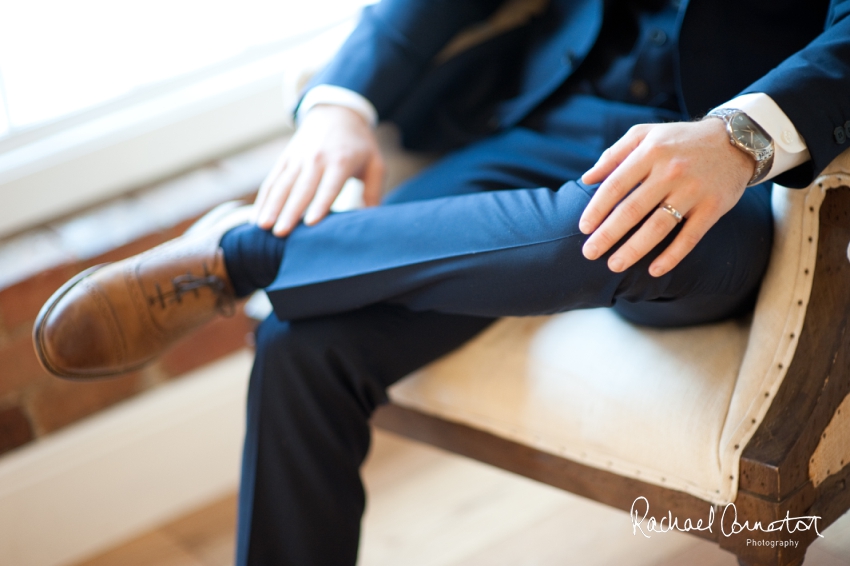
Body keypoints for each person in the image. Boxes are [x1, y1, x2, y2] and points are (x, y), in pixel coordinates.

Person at [32, 0, 850, 563]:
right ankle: (268, 267)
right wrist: (340, 101)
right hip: (546, 118)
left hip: (733, 174)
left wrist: (739, 135)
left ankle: (247, 257)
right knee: (301, 342)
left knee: (599, 224)